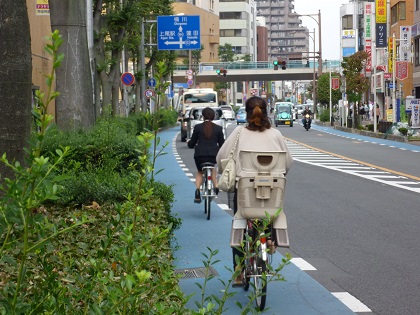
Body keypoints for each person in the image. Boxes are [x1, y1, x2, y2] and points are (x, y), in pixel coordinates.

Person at [216, 96, 293, 286]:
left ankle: (239, 271)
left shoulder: (239, 133)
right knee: (269, 212)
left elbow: (222, 157)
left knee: (240, 220)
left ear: (247, 112)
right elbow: (288, 162)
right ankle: (269, 241)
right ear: (266, 112)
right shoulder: (275, 134)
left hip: (244, 190)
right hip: (272, 190)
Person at [187, 107, 225, 203]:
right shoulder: (218, 128)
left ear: (203, 116)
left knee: (200, 171)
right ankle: (216, 186)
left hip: (200, 155)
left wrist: (189, 143)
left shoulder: (198, 127)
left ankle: (197, 190)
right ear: (213, 116)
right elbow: (222, 144)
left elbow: (192, 142)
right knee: (212, 168)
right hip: (213, 155)